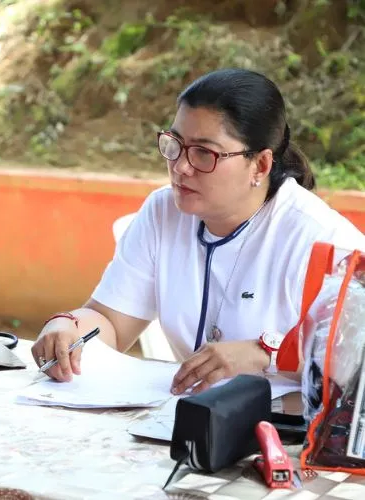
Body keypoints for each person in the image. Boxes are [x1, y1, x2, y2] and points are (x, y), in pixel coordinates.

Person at [31, 68, 365, 395]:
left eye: (204, 153)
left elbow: (355, 355)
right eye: (175, 144)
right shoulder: (163, 213)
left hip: (288, 437)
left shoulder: (320, 237)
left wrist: (265, 354)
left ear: (260, 165)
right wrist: (68, 328)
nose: (180, 167)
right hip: (186, 422)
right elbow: (111, 322)